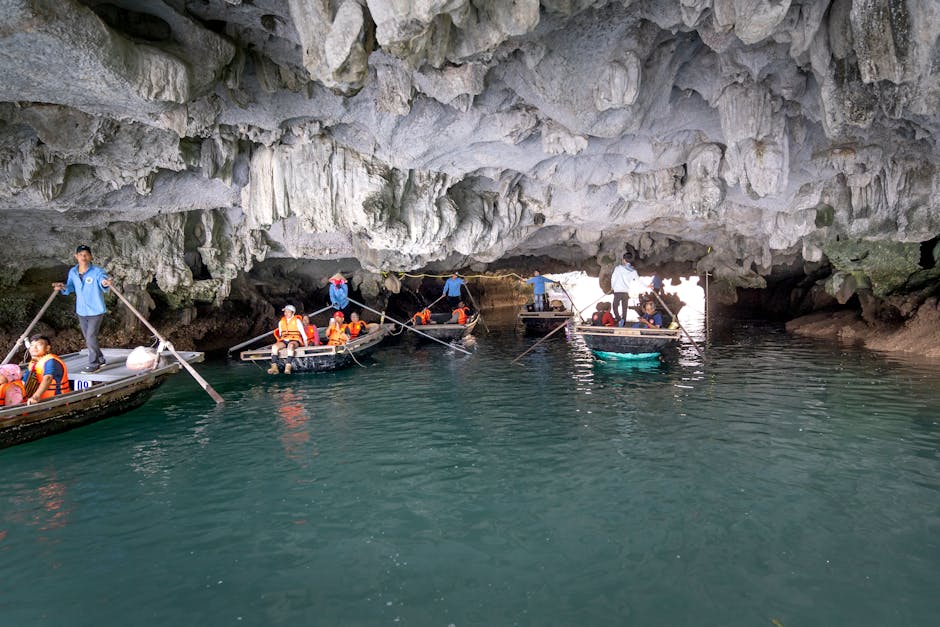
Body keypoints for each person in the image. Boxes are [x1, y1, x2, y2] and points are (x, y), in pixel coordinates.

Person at [52, 244, 112, 373]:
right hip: (82, 310)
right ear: (76, 257)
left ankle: (93, 363)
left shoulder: (97, 271)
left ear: (90, 257)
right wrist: (63, 287)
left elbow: (103, 281)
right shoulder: (73, 272)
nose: (83, 257)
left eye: (86, 255)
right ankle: (100, 358)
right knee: (89, 338)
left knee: (90, 336)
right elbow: (70, 287)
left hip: (96, 310)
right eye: (80, 255)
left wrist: (105, 283)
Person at [23, 335, 70, 405]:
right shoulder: (33, 363)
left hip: (55, 402)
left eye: (38, 345)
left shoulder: (51, 361)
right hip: (39, 401)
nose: (34, 348)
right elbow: (24, 382)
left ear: (47, 348)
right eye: (32, 345)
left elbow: (48, 378)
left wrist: (35, 397)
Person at [269, 305, 308, 375]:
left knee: (291, 345)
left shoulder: (297, 321)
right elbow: (281, 334)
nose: (285, 313)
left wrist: (306, 347)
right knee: (274, 347)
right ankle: (274, 367)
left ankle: (288, 366)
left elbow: (303, 334)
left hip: (294, 340)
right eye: (285, 312)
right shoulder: (281, 322)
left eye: (288, 312)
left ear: (293, 313)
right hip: (284, 340)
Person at [610, 254, 638, 324]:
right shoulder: (633, 271)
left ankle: (619, 319)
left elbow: (613, 278)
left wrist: (612, 287)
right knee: (624, 308)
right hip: (626, 291)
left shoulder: (618, 268)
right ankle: (624, 321)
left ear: (624, 260)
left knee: (615, 306)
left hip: (618, 291)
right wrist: (647, 286)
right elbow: (638, 281)